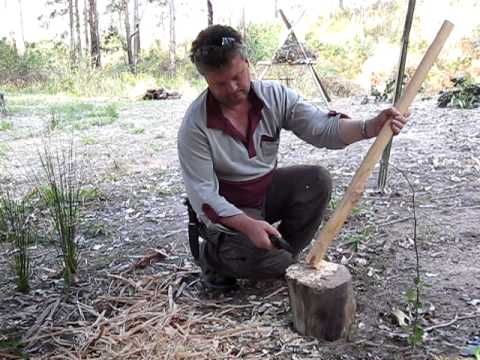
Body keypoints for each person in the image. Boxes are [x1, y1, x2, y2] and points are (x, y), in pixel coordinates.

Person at [177, 25, 408, 290]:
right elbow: (204, 197)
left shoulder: (274, 97)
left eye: (238, 76)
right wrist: (248, 225)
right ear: (206, 79)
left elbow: (322, 128)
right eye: (220, 83)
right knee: (272, 264)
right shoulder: (195, 125)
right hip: (229, 210)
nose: (233, 88)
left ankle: (279, 253)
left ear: (248, 63)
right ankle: (214, 257)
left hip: (264, 192)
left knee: (315, 180)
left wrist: (370, 127)